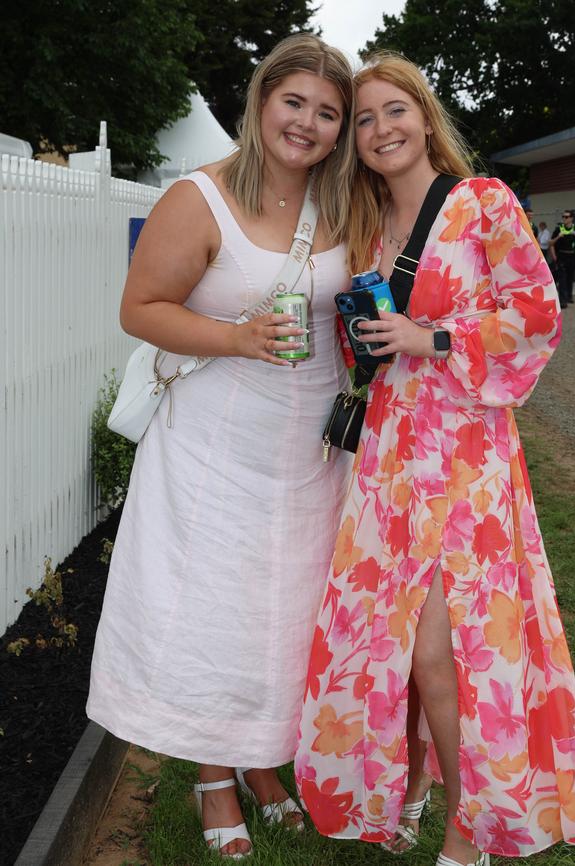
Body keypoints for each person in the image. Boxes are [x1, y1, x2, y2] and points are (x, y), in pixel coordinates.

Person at [296, 52, 575, 866]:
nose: (379, 129)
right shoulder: (367, 226)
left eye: (393, 111)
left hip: (465, 453)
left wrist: (432, 336)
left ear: (424, 117)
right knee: (390, 637)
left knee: (441, 646)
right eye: (363, 120)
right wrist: (367, 336)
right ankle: (419, 785)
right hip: (390, 455)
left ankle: (469, 829)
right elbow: (369, 344)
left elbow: (538, 315)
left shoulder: (482, 203)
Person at [86, 34, 357, 859]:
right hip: (214, 444)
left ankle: (265, 761)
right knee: (217, 609)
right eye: (294, 102)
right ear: (260, 100)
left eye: (326, 112)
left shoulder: (343, 205)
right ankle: (213, 776)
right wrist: (235, 339)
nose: (306, 124)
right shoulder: (195, 199)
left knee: (290, 609)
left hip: (309, 450)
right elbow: (141, 308)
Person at [549, 210, 575, 307]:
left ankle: (569, 296)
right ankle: (562, 300)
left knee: (570, 278)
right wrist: (558, 237)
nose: (564, 219)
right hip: (561, 256)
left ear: (571, 218)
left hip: (572, 256)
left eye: (566, 217)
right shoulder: (558, 229)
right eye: (563, 217)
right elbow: (551, 243)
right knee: (562, 279)